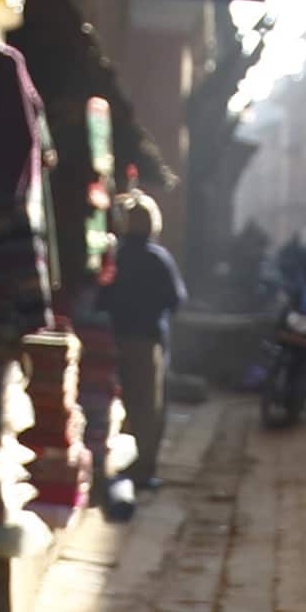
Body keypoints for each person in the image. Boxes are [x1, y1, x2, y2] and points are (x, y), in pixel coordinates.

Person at [103, 194, 187, 491]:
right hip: (148, 338)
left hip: (116, 337)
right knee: (149, 405)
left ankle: (127, 462)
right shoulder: (157, 258)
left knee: (125, 400)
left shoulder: (116, 256)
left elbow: (103, 296)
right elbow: (175, 300)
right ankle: (145, 467)